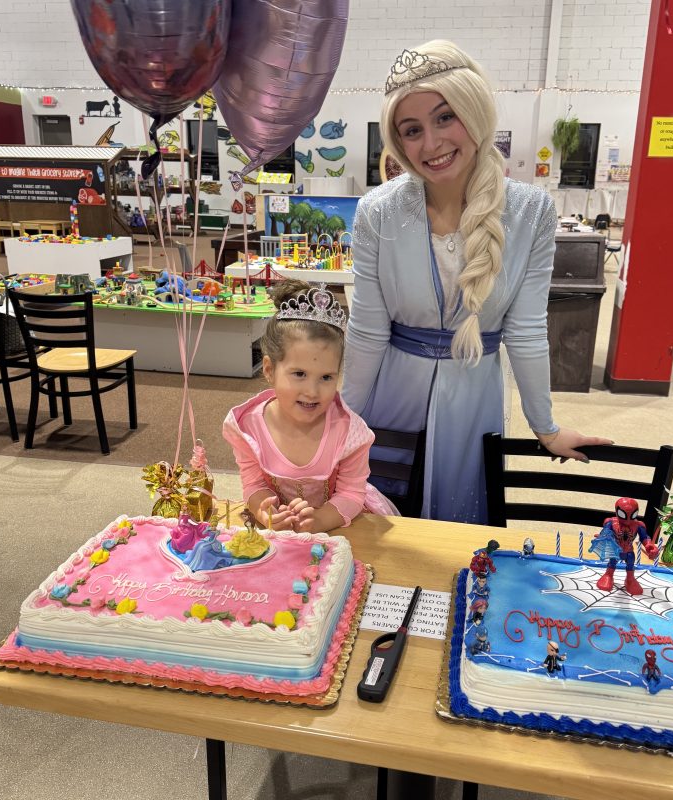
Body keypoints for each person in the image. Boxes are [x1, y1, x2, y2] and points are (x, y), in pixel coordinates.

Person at [342, 40, 611, 524]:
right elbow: (367, 331)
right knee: (383, 524)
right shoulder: (378, 211)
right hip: (393, 392)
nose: (432, 143)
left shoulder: (531, 211)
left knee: (461, 532)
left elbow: (526, 330)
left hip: (476, 393)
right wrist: (340, 424)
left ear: (475, 109)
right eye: (412, 129)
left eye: (446, 117)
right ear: (398, 141)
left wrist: (545, 427)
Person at [223, 280, 397, 533]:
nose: (313, 392)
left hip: (337, 526)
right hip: (277, 534)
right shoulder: (246, 427)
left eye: (326, 377)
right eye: (299, 374)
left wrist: (319, 520)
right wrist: (264, 509)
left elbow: (350, 493)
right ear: (270, 370)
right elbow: (253, 483)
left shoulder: (350, 432)